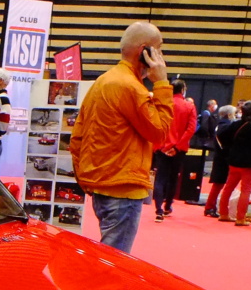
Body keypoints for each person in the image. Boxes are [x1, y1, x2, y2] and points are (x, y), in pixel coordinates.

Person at [69, 20, 173, 253]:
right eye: (159, 49)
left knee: (108, 257)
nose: (162, 57)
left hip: (103, 186)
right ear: (144, 51)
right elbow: (160, 133)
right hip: (122, 189)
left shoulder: (104, 81)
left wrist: (86, 177)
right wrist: (162, 84)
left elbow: (77, 138)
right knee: (113, 264)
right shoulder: (130, 88)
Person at [151, 78, 196, 221]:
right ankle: (167, 206)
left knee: (160, 178)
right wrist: (177, 147)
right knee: (173, 177)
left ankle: (158, 209)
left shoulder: (163, 105)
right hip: (179, 148)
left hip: (161, 146)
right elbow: (190, 129)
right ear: (183, 90)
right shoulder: (189, 106)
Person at [203, 104, 238, 218]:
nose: (235, 115)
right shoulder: (225, 126)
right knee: (218, 184)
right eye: (234, 113)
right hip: (223, 158)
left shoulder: (221, 124)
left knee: (218, 184)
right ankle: (210, 207)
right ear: (229, 114)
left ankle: (211, 206)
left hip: (221, 157)